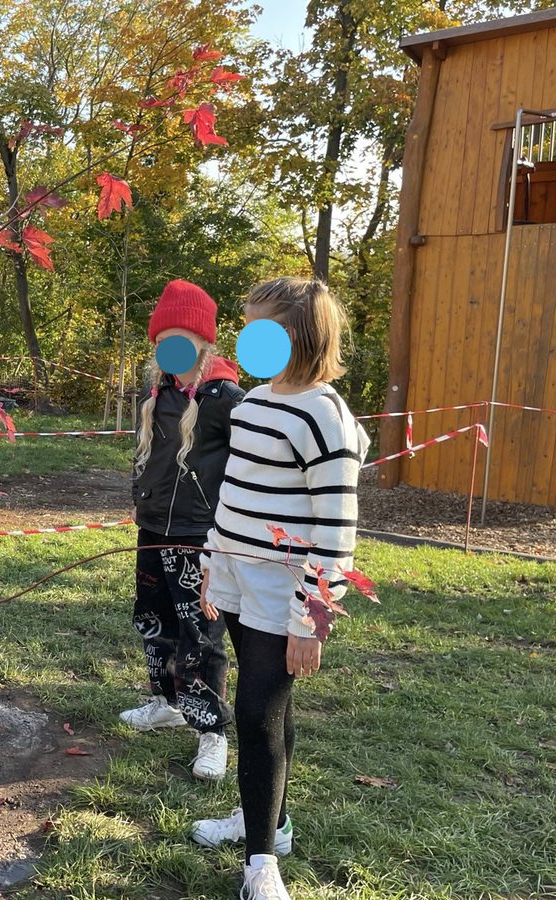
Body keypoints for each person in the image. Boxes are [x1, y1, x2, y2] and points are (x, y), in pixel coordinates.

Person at [190, 277, 370, 900]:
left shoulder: (326, 417)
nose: (246, 336)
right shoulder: (256, 400)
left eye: (259, 325)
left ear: (296, 333)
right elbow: (234, 493)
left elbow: (336, 532)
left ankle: (260, 863)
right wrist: (215, 560)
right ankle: (271, 821)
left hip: (284, 590)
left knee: (257, 709)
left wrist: (309, 619)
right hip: (237, 575)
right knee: (271, 708)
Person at [123, 279, 244, 782]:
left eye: (181, 337)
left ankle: (211, 732)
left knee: (200, 633)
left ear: (204, 341)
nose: (170, 348)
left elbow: (249, 464)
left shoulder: (225, 398)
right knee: (153, 619)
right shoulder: (159, 394)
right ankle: (165, 701)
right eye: (162, 339)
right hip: (154, 530)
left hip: (198, 538)